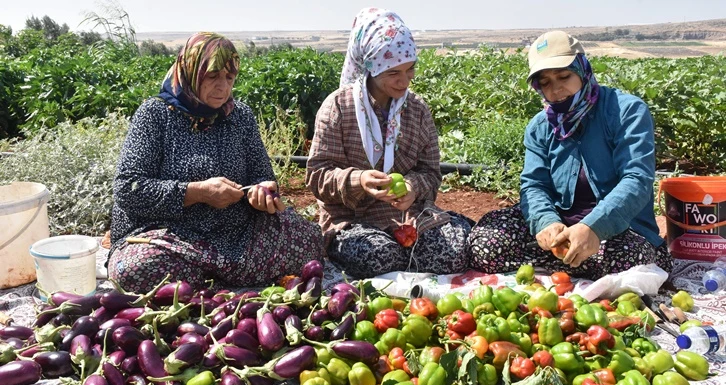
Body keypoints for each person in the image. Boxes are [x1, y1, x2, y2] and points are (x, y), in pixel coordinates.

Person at [108, 32, 323, 293]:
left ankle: (202, 282)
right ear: (190, 72)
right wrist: (198, 193)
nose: (223, 87)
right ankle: (226, 277)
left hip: (234, 232)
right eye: (212, 76)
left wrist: (261, 193)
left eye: (229, 77)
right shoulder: (154, 115)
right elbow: (128, 189)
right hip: (168, 235)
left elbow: (262, 175)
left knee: (308, 240)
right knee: (136, 269)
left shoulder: (240, 116)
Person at [468, 30, 672, 279]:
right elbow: (534, 185)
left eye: (564, 76)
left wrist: (593, 228)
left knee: (631, 256)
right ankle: (573, 266)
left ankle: (557, 267)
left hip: (617, 230)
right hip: (561, 224)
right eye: (545, 83)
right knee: (485, 243)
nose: (556, 90)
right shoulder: (540, 126)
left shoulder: (626, 111)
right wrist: (546, 222)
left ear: (582, 69)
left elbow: (636, 179)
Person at [306, 8, 472, 278]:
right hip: (352, 220)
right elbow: (317, 175)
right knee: (379, 257)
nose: (405, 81)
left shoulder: (416, 109)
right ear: (372, 66)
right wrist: (358, 181)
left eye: (410, 70)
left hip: (410, 217)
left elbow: (430, 171)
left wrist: (411, 188)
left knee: (451, 255)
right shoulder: (338, 107)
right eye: (394, 72)